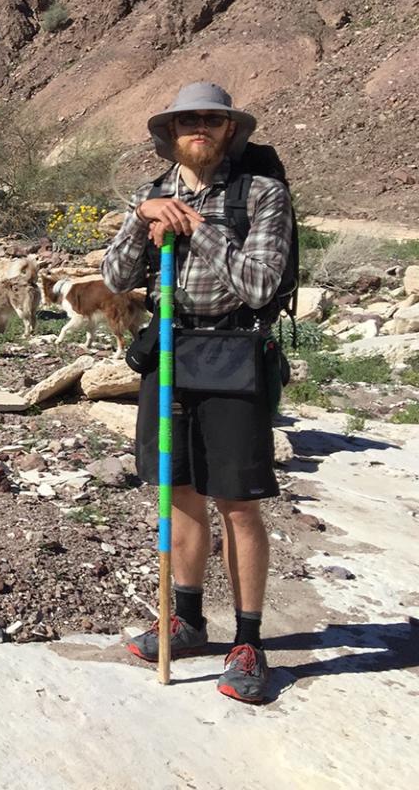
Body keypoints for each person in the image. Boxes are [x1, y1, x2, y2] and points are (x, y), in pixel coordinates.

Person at [101, 82, 294, 704]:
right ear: (171, 132)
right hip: (168, 354)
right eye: (189, 120)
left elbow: (260, 285)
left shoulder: (262, 194)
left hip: (234, 354)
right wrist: (143, 220)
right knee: (177, 490)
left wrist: (197, 229)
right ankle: (185, 620)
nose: (201, 128)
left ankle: (248, 641)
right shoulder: (152, 193)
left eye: (213, 119)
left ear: (231, 130)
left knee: (237, 502)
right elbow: (114, 277)